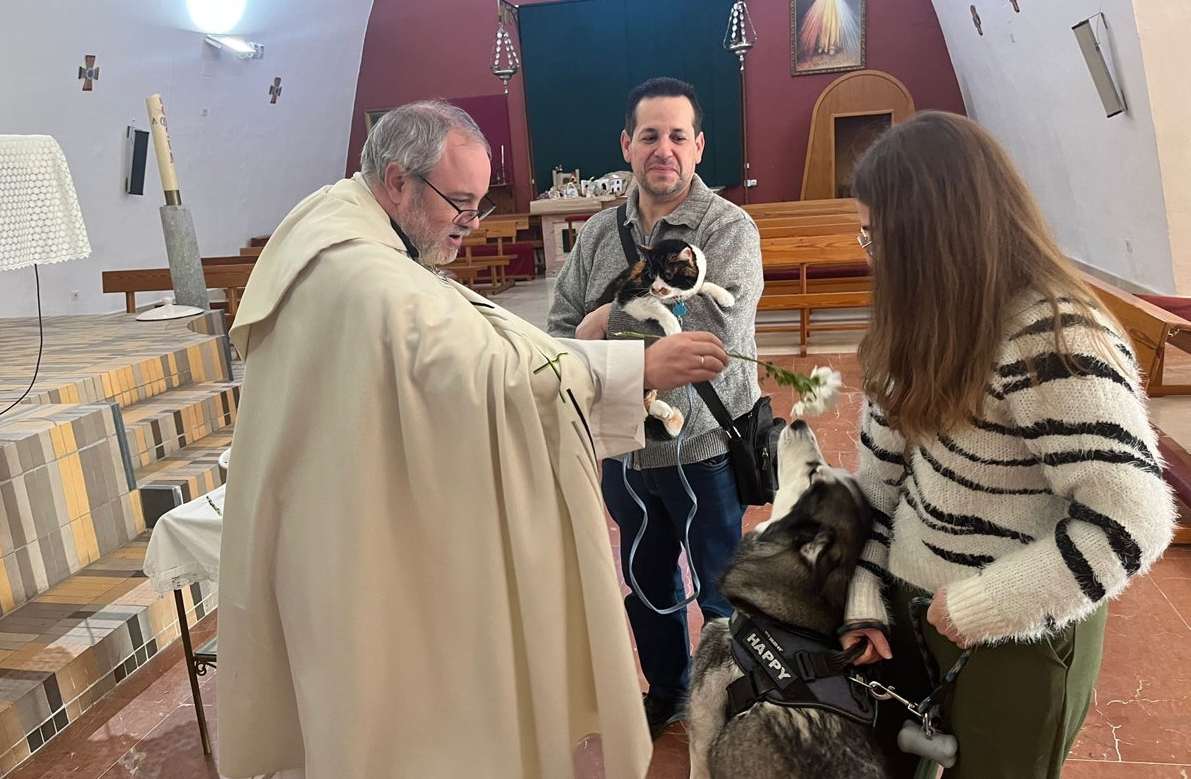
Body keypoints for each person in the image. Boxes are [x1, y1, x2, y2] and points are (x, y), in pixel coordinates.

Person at [215, 100, 733, 779]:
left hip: (352, 514)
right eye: (458, 201)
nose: (470, 221)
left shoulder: (344, 230)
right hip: (359, 533)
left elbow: (466, 344)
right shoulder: (360, 275)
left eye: (479, 202)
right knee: (396, 712)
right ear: (397, 180)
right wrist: (634, 369)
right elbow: (481, 375)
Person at [838, 111, 1176, 779]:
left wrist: (984, 605)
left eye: (880, 237)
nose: (868, 253)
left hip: (1021, 632)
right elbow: (877, 484)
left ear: (935, 236)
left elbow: (1135, 517)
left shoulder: (1052, 336)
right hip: (914, 606)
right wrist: (864, 597)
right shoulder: (917, 324)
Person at [548, 77, 763, 738]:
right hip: (625, 452)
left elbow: (706, 344)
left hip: (703, 452)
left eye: (677, 136)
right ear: (627, 146)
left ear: (698, 147)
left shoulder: (728, 229)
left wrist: (599, 324)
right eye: (649, 136)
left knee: (722, 591)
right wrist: (602, 328)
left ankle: (730, 703)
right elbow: (558, 331)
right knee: (646, 585)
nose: (662, 149)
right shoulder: (596, 234)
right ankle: (668, 692)